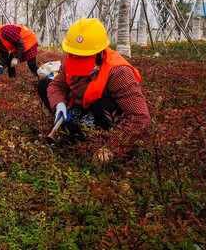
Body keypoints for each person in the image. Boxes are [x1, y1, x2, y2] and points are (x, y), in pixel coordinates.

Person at [37, 17, 150, 165]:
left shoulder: (118, 71)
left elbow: (140, 118)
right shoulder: (70, 57)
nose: (77, 63)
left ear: (99, 54)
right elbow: (57, 85)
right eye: (74, 56)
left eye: (83, 60)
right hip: (78, 109)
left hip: (102, 117)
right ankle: (74, 134)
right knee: (44, 84)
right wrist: (59, 104)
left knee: (102, 104)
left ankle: (97, 140)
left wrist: (112, 148)